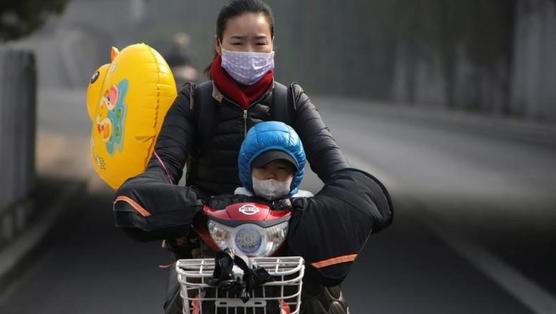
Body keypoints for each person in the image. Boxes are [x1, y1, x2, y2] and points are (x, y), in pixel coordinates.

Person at [112, 1, 393, 313]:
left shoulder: (292, 101)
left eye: (259, 42)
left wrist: (331, 205)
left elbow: (336, 167)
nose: (249, 51)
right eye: (237, 42)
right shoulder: (194, 102)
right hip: (207, 250)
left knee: (330, 304)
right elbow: (163, 165)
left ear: (273, 44)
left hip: (285, 250)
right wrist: (169, 199)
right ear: (218, 44)